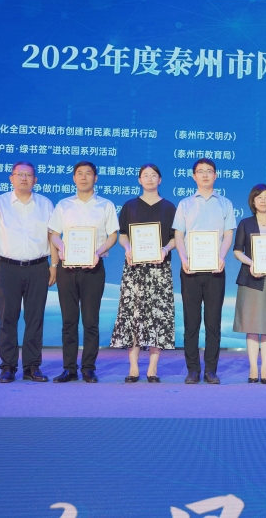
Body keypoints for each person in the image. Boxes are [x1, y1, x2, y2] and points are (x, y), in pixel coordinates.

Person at [0, 161, 56, 383]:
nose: (24, 178)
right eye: (19, 174)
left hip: (38, 267)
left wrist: (54, 265)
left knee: (35, 318)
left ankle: (32, 366)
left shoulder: (45, 204)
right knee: (7, 318)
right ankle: (8, 367)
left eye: (28, 175)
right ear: (11, 178)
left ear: (35, 180)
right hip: (7, 268)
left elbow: (53, 236)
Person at [48, 161, 119, 383]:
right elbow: (54, 234)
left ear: (95, 178)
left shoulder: (106, 205)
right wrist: (62, 248)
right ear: (74, 178)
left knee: (91, 320)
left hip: (93, 268)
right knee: (69, 321)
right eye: (79, 173)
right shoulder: (63, 205)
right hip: (67, 269)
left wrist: (98, 252)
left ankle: (88, 367)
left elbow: (113, 235)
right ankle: (69, 368)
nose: (84, 177)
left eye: (88, 173)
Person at [110, 164, 177, 383]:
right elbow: (122, 235)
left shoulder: (169, 207)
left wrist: (165, 249)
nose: (149, 179)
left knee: (158, 315)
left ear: (160, 180)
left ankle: (153, 367)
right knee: (134, 315)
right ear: (139, 180)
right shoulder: (129, 206)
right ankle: (133, 367)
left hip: (159, 269)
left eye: (153, 175)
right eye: (145, 176)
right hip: (134, 269)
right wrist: (128, 248)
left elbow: (176, 237)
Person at [173, 158, 236, 384]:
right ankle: (192, 369)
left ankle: (211, 369)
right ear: (194, 176)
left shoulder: (225, 203)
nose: (205, 175)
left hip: (215, 269)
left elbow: (228, 234)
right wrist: (183, 258)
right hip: (190, 269)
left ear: (215, 175)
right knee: (191, 322)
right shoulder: (185, 204)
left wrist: (221, 257)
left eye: (209, 171)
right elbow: (178, 234)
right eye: (200, 171)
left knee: (213, 322)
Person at [232, 184, 266, 384]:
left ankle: (265, 367)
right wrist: (252, 264)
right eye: (259, 197)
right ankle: (253, 368)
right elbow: (237, 251)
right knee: (252, 324)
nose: (263, 201)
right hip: (251, 279)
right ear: (253, 201)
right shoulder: (245, 224)